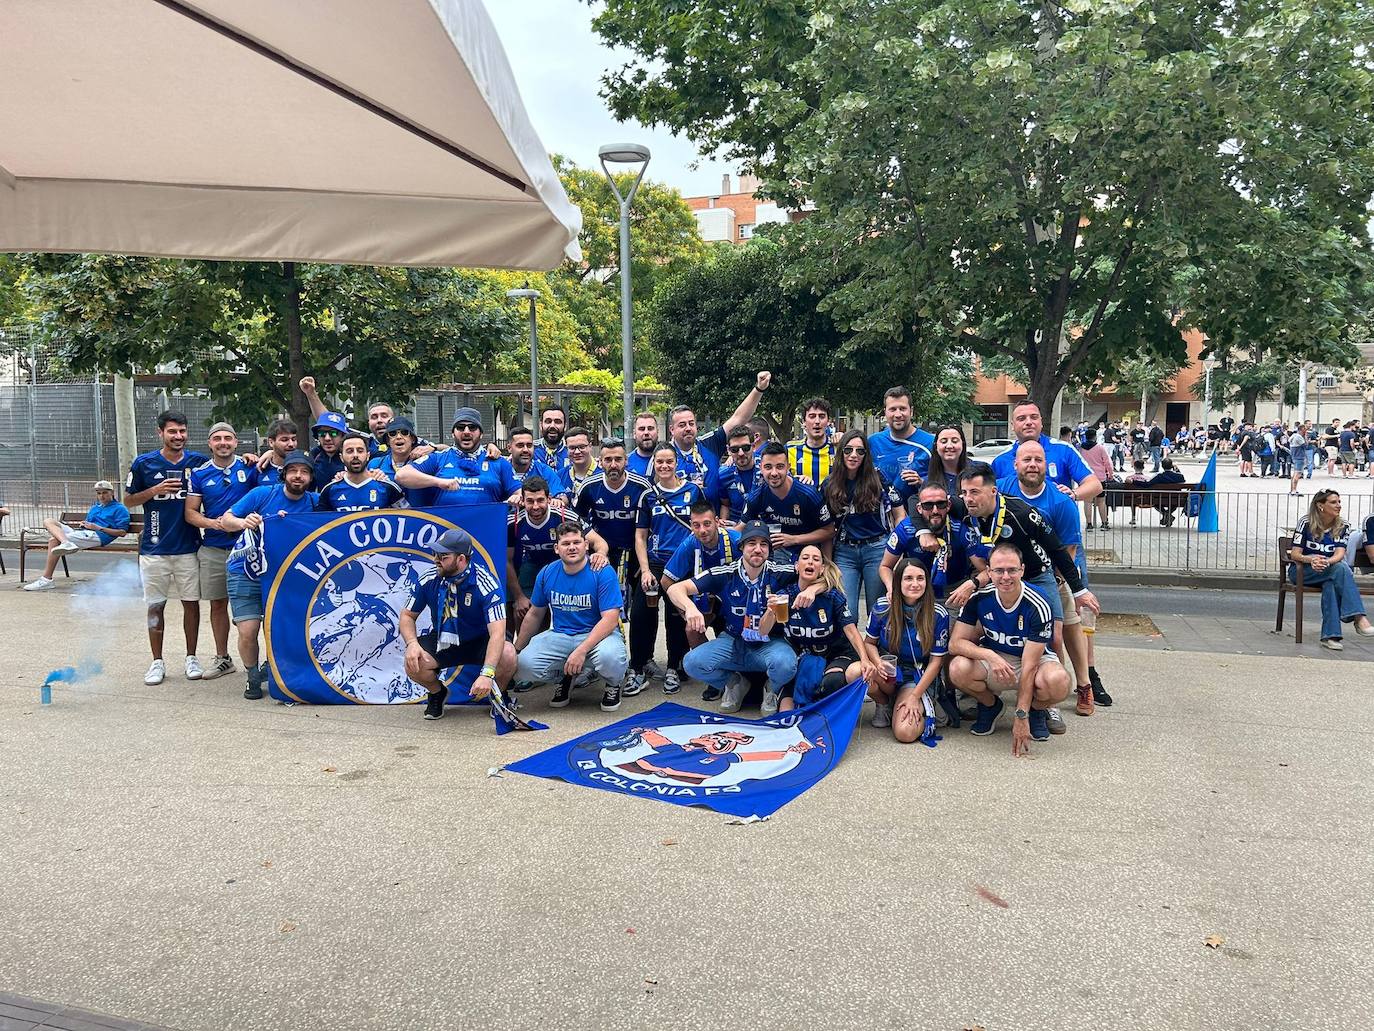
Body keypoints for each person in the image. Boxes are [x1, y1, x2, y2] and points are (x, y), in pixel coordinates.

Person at [998, 441, 1101, 720]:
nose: (1033, 465)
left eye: (1038, 460)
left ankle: (1078, 686)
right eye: (1027, 460)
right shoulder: (1001, 489)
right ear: (1015, 465)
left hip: (1051, 573)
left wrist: (1058, 582)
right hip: (1011, 574)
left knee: (1063, 630)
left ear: (1047, 466)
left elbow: (1066, 549)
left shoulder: (1061, 501)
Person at [667, 520, 807, 714]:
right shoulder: (725, 573)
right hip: (733, 641)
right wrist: (690, 608)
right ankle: (734, 684)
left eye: (763, 544)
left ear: (769, 549)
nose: (757, 549)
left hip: (769, 643)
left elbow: (825, 574)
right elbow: (675, 588)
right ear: (741, 547)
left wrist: (815, 588)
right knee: (692, 662)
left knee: (787, 664)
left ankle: (771, 689)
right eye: (751, 543)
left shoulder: (781, 571)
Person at [947, 542, 1071, 755]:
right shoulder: (978, 599)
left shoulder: (1039, 602)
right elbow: (955, 643)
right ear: (988, 572)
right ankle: (991, 705)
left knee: (1059, 681)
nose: (1005, 576)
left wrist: (1021, 715)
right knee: (957, 668)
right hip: (996, 657)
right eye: (999, 570)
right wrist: (988, 655)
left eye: (1012, 570)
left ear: (1022, 570)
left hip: (1032, 660)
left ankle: (1035, 709)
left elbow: (1030, 666)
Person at [217, 451, 320, 699]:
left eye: (304, 472)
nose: (298, 476)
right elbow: (226, 519)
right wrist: (244, 522)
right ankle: (252, 675)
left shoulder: (316, 502)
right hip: (245, 570)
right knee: (248, 630)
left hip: (283, 575)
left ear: (310, 478)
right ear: (283, 474)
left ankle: (271, 667)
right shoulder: (263, 494)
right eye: (293, 471)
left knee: (284, 626)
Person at [959, 463, 1100, 638]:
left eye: (974, 492)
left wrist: (1079, 590)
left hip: (1037, 576)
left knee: (1053, 636)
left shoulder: (1022, 513)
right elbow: (928, 501)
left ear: (993, 491)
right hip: (1002, 577)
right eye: (964, 493)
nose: (968, 498)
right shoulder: (963, 509)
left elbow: (1057, 549)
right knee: (992, 632)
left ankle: (1059, 666)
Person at [125, 410, 208, 687]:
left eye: (182, 431)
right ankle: (157, 661)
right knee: (155, 606)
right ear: (160, 432)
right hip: (154, 548)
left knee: (191, 604)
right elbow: (128, 501)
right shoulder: (144, 463)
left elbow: (223, 470)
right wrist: (155, 489)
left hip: (189, 546)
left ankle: (191, 657)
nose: (179, 436)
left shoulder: (198, 462)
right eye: (173, 431)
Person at [398, 527, 517, 720]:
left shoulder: (485, 583)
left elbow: (498, 633)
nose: (436, 559)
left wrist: (487, 674)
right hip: (443, 639)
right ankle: (437, 693)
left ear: (461, 559)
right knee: (413, 661)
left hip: (481, 641)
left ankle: (499, 695)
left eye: (443, 556)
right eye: (435, 553)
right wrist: (411, 644)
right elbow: (407, 616)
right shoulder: (429, 578)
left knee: (509, 654)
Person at [514, 521, 628, 711]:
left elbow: (610, 619)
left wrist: (581, 651)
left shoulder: (602, 571)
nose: (572, 547)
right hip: (561, 635)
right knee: (524, 666)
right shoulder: (547, 572)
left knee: (611, 658)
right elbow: (535, 614)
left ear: (586, 545)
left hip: (598, 636)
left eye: (576, 542)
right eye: (566, 544)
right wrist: (517, 650)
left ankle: (612, 684)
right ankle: (565, 677)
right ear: (557, 548)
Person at [631, 443, 707, 696]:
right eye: (659, 461)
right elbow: (640, 536)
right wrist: (645, 570)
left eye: (669, 461)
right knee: (642, 613)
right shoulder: (647, 495)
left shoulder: (693, 491)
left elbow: (704, 525)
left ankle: (675, 666)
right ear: (654, 464)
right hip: (655, 563)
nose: (664, 466)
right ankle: (638, 666)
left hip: (684, 563)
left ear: (676, 463)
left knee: (678, 616)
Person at [184, 422, 258, 680]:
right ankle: (223, 658)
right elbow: (191, 513)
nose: (223, 443)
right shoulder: (200, 474)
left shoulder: (250, 467)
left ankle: (264, 659)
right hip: (215, 547)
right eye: (218, 439)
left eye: (228, 438)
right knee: (218, 603)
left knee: (255, 605)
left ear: (236, 442)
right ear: (210, 444)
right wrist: (214, 523)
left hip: (250, 547)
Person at [852, 557, 950, 738]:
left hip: (916, 675)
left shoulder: (938, 613)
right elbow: (869, 643)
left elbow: (936, 663)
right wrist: (877, 662)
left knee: (905, 733)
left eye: (920, 578)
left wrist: (914, 696)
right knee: (854, 672)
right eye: (908, 578)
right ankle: (884, 704)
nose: (915, 584)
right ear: (897, 581)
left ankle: (924, 704)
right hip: (889, 673)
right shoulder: (882, 607)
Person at [776, 545, 870, 713]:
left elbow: (851, 630)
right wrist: (770, 611)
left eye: (816, 559)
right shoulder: (785, 596)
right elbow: (763, 630)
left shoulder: (833, 595)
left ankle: (828, 707)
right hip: (804, 657)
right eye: (805, 558)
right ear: (797, 566)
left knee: (833, 682)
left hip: (836, 654)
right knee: (785, 716)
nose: (810, 561)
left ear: (822, 569)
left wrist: (865, 659)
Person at [507, 476, 606, 626]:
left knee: (577, 609)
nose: (535, 506)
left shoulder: (564, 516)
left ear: (549, 499)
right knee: (523, 610)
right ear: (523, 500)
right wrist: (519, 597)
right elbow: (507, 561)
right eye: (530, 501)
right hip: (534, 565)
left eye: (540, 500)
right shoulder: (514, 522)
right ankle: (524, 649)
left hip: (566, 566)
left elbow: (600, 542)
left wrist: (600, 554)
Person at [666, 370, 772, 505]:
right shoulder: (664, 455)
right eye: (682, 425)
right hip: (679, 522)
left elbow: (738, 418)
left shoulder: (709, 443)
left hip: (711, 521)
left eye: (691, 423)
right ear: (672, 430)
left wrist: (759, 389)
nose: (688, 428)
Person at [661, 501, 741, 674]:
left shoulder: (735, 541)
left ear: (717, 522)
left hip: (734, 599)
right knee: (691, 628)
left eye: (707, 524)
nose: (702, 530)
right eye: (696, 525)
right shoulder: (689, 544)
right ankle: (714, 674)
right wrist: (685, 610)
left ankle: (740, 670)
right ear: (691, 526)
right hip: (704, 601)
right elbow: (666, 581)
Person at [1288, 490, 1374, 651]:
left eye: (1339, 502)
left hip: (1329, 569)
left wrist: (1325, 562)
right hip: (1303, 571)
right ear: (1320, 505)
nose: (1338, 506)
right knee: (1340, 570)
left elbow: (1339, 554)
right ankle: (1359, 617)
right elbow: (1295, 554)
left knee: (1331, 582)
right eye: (1334, 502)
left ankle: (1331, 636)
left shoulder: (1343, 525)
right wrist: (1311, 559)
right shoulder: (1305, 522)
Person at [823, 429, 893, 617]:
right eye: (848, 450)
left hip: (876, 548)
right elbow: (826, 527)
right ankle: (850, 648)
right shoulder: (830, 483)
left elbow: (899, 512)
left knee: (878, 610)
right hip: (845, 551)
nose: (853, 455)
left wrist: (895, 550)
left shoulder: (878, 479)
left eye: (860, 451)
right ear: (841, 453)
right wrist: (828, 562)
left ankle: (874, 647)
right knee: (848, 612)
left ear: (866, 455)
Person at [880, 480, 981, 606]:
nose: (935, 511)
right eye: (928, 505)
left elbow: (984, 570)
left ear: (949, 505)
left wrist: (971, 584)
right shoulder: (905, 529)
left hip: (953, 592)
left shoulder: (960, 529)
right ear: (919, 508)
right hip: (916, 591)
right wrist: (892, 589)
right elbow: (885, 567)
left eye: (941, 504)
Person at [394, 408, 520, 506]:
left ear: (481, 434)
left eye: (472, 427)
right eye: (460, 427)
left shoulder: (498, 462)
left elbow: (519, 493)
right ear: (453, 433)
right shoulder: (438, 458)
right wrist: (439, 482)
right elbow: (401, 476)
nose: (466, 431)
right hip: (446, 533)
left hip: (484, 534)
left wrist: (517, 498)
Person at [991, 400, 1103, 505]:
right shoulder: (1000, 460)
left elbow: (1095, 485)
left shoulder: (1064, 450)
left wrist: (1073, 494)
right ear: (1012, 425)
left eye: (1034, 417)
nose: (1028, 422)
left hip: (1056, 523)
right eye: (1021, 418)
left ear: (1041, 422)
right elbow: (987, 494)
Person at [23, 481, 130, 591]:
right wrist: (84, 524)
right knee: (48, 521)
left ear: (112, 492)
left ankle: (46, 580)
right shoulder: (95, 507)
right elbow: (89, 524)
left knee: (53, 541)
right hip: (84, 532)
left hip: (99, 536)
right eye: (99, 493)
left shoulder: (120, 509)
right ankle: (66, 543)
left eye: (104, 493)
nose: (101, 496)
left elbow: (122, 532)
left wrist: (98, 528)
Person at [741, 443, 835, 563]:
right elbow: (742, 528)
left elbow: (829, 531)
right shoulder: (756, 497)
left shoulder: (808, 494)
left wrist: (794, 539)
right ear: (761, 467)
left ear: (788, 467)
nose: (774, 473)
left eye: (780, 466)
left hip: (808, 554)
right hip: (775, 555)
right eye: (768, 467)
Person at [868, 385, 935, 489]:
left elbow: (944, 479)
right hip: (880, 504)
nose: (898, 414)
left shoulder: (930, 443)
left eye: (902, 409)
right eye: (893, 409)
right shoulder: (873, 442)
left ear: (911, 411)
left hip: (915, 504)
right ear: (885, 412)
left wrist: (922, 481)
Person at [318, 433, 404, 512]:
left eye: (360, 451)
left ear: (368, 456)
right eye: (349, 451)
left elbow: (408, 517)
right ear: (341, 457)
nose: (355, 455)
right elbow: (319, 525)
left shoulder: (388, 488)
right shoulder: (329, 490)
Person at [368, 417, 435, 508]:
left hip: (422, 519)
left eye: (404, 432)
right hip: (386, 519)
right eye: (393, 433)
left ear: (413, 439)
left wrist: (434, 447)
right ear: (387, 440)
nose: (399, 437)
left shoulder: (427, 461)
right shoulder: (375, 464)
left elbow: (451, 452)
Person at [785, 397, 836, 486]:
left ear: (829, 421)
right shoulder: (789, 449)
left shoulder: (838, 449)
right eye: (812, 416)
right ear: (804, 422)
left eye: (822, 416)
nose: (817, 421)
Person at [507, 425, 567, 497]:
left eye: (529, 445)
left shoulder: (544, 471)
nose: (526, 450)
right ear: (509, 448)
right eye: (520, 445)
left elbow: (562, 496)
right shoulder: (500, 470)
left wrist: (557, 501)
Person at [718, 426, 762, 522]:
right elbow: (725, 504)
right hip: (735, 525)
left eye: (746, 448)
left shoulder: (767, 468)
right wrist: (723, 520)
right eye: (735, 449)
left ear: (753, 446)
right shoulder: (723, 474)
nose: (741, 453)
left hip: (763, 524)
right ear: (728, 450)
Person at [1077, 428, 1113, 531]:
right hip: (1100, 478)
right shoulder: (1100, 448)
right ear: (1095, 436)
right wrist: (1111, 473)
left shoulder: (1081, 448)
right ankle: (1104, 523)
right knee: (1101, 501)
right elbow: (1107, 462)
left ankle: (1089, 524)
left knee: (1087, 501)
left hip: (1085, 478)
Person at [252, 418, 299, 486]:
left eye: (294, 439)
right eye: (284, 440)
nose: (291, 444)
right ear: (271, 442)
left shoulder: (304, 467)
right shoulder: (258, 468)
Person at [308, 411, 348, 487]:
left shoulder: (352, 455)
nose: (327, 438)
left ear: (343, 436)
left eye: (333, 433)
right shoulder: (313, 456)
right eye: (322, 433)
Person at [562, 426, 599, 496]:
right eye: (572, 448)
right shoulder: (560, 476)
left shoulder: (603, 473)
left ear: (590, 446)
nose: (577, 452)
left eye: (582, 447)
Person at [534, 405, 570, 474]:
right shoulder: (530, 449)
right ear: (541, 425)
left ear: (565, 426)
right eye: (548, 421)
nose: (552, 426)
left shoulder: (573, 450)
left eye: (557, 422)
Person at [626, 412, 659, 478]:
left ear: (658, 431)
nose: (646, 432)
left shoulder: (670, 461)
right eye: (641, 429)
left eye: (650, 428)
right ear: (634, 433)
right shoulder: (625, 463)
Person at [1287, 424, 1309, 495]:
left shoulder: (1293, 436)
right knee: (1297, 474)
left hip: (1294, 456)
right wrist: (1306, 437)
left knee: (1294, 474)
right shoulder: (1299, 437)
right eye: (1305, 429)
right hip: (1299, 456)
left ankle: (1292, 489)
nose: (1306, 430)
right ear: (1302, 429)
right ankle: (1294, 490)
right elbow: (1305, 446)